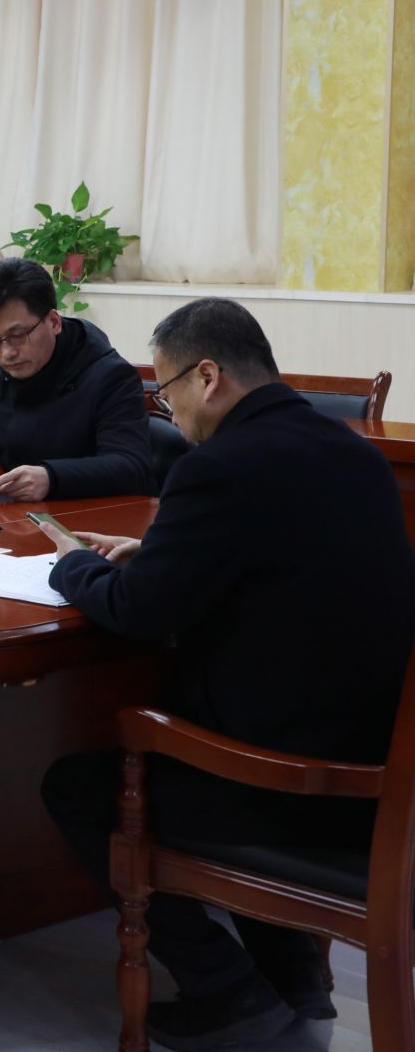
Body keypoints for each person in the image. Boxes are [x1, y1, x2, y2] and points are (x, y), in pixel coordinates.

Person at [39, 298, 415, 1049]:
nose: (168, 410)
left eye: (167, 391)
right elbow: (283, 565)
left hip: (289, 789)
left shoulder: (219, 467)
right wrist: (158, 555)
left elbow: (137, 611)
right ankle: (295, 977)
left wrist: (73, 563)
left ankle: (227, 991)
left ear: (207, 377)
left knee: (76, 788)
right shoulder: (352, 451)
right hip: (372, 770)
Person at [0, 257, 152, 501]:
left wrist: (52, 478)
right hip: (13, 514)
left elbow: (131, 466)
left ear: (54, 322)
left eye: (18, 336)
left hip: (90, 516)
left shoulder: (110, 376)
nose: (6, 353)